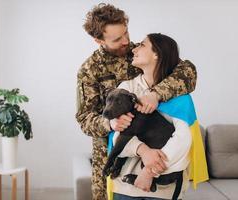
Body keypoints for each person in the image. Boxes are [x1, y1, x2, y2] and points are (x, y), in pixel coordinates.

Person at [76, 4, 197, 200]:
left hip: (157, 143)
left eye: (126, 33)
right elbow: (84, 118)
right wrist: (110, 123)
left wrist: (156, 94)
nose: (126, 41)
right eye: (117, 39)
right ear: (99, 40)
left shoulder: (142, 52)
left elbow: (188, 72)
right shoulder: (90, 71)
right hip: (116, 152)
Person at [112, 33, 192, 200]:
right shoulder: (126, 88)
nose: (134, 49)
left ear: (157, 54)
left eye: (142, 45)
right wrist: (143, 151)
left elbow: (183, 139)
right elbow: (117, 135)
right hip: (125, 187)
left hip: (165, 189)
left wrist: (149, 171)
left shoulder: (179, 92)